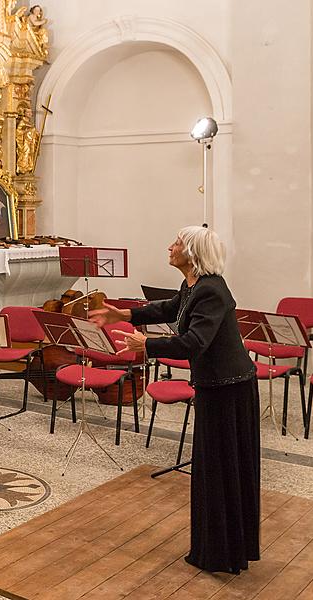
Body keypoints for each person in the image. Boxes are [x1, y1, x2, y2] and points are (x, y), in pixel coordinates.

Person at [90, 226, 259, 574]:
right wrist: (125, 315)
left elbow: (195, 342)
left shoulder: (212, 291)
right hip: (217, 385)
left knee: (220, 468)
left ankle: (223, 552)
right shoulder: (193, 286)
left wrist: (146, 345)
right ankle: (217, 549)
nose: (170, 247)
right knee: (213, 468)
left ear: (192, 254)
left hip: (230, 389)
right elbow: (170, 308)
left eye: (177, 243)